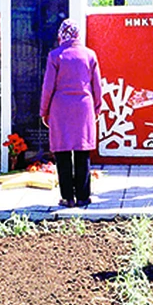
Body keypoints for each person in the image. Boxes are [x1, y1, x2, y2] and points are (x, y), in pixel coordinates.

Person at [39, 19, 103, 208]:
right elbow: (97, 86)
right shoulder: (90, 55)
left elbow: (48, 87)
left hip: (60, 108)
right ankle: (84, 196)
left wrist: (44, 111)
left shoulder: (55, 56)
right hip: (84, 107)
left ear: (62, 34)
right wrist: (97, 108)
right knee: (83, 152)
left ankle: (67, 197)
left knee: (62, 153)